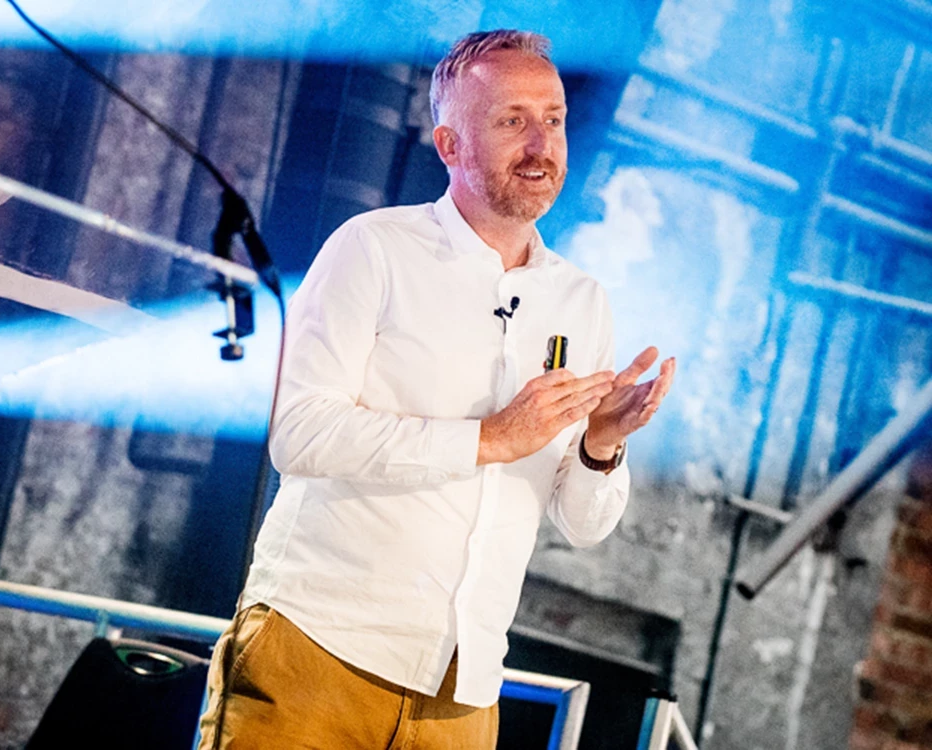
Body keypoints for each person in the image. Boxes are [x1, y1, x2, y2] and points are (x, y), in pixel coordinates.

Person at [198, 29, 676, 749]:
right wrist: (487, 439)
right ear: (450, 145)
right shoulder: (374, 248)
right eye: (512, 120)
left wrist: (602, 449)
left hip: (464, 693)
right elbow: (299, 432)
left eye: (553, 119)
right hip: (318, 650)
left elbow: (583, 524)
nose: (541, 145)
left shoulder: (582, 303)